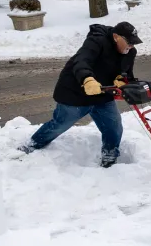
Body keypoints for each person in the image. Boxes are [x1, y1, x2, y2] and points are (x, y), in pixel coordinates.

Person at [22, 21, 141, 166]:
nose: (131, 46)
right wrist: (87, 79)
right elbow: (81, 61)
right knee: (60, 124)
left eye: (134, 43)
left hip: (102, 94)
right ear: (116, 37)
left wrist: (122, 79)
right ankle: (34, 143)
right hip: (76, 92)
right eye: (129, 42)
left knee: (114, 126)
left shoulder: (130, 52)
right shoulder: (97, 41)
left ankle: (110, 154)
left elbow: (126, 73)